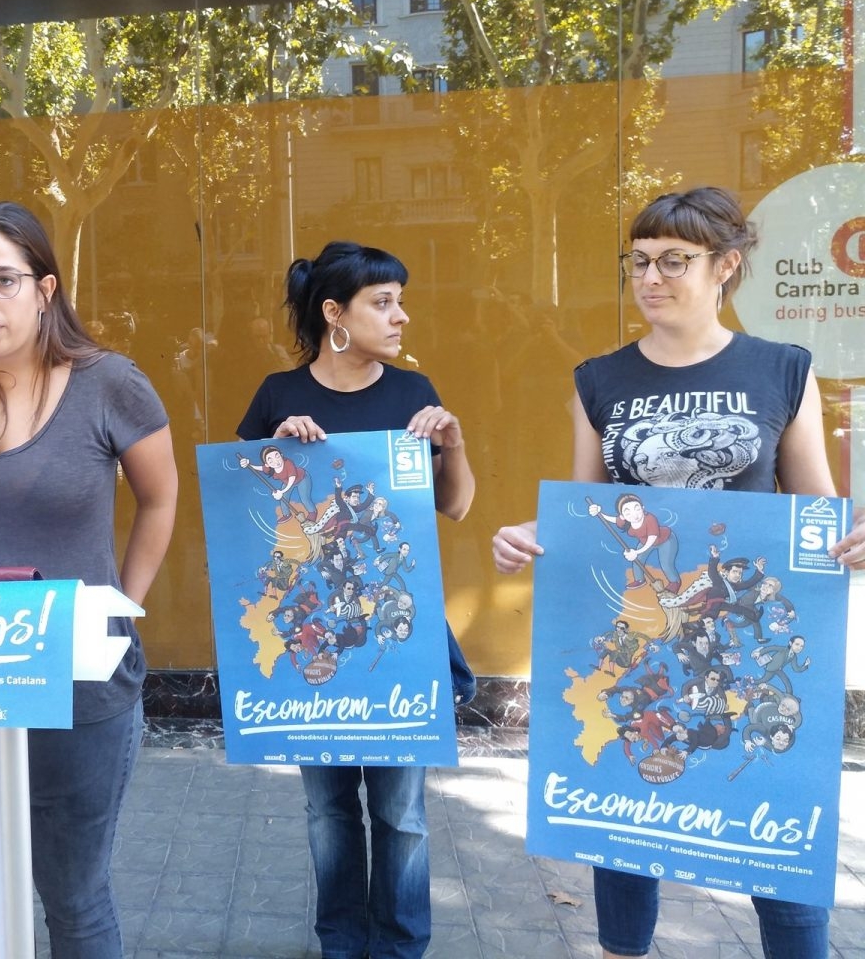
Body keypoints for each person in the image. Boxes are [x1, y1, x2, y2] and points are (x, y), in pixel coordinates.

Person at [492, 186, 865, 959]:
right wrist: (532, 535)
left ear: (725, 266)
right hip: (646, 627)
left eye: (673, 261)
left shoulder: (781, 370)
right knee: (631, 825)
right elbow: (589, 515)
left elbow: (816, 511)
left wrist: (855, 538)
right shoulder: (599, 380)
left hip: (742, 629)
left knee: (778, 842)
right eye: (638, 263)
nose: (651, 278)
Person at [0, 201, 177, 957]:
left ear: (46, 288)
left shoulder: (110, 384)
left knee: (73, 894)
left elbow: (160, 499)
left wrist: (119, 604)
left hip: (77, 684)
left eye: (3, 280)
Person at [237, 240, 476, 959]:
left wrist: (455, 443)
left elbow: (455, 508)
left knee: (401, 810)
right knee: (328, 808)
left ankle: (401, 945)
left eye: (400, 299)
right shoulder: (280, 396)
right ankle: (341, 942)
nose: (401, 315)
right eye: (384, 301)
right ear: (335, 314)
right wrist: (272, 453)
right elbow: (247, 526)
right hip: (316, 635)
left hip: (398, 635)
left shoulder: (413, 390)